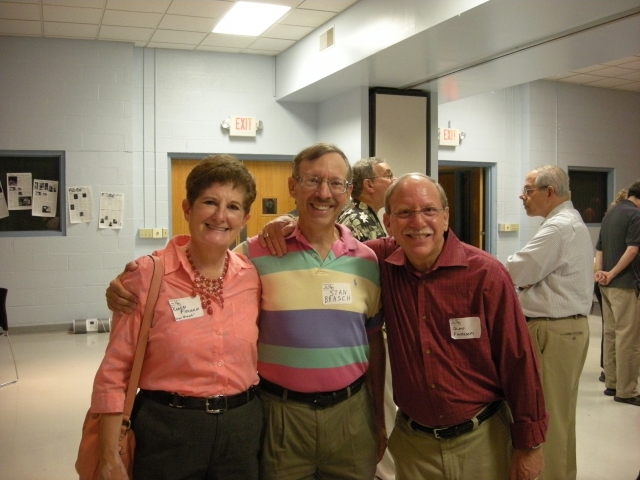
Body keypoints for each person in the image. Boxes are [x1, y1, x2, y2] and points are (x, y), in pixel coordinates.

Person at [107, 144, 386, 480]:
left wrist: (379, 416)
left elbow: (373, 337)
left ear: (348, 191)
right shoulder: (254, 254)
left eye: (336, 183)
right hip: (276, 413)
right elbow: (208, 260)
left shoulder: (367, 261)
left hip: (347, 414)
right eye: (312, 180)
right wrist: (131, 282)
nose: (324, 192)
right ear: (292, 186)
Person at [260, 173, 548, 480]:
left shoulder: (486, 275)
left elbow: (520, 362)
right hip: (414, 448)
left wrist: (529, 445)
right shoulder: (378, 262)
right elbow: (331, 240)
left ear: (446, 216)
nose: (418, 222)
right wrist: (284, 225)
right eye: (405, 213)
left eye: (429, 210)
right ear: (389, 222)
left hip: (482, 441)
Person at [93, 155, 263, 479]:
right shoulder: (148, 275)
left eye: (233, 207)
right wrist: (108, 456)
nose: (220, 216)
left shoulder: (253, 276)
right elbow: (116, 370)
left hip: (241, 430)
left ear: (245, 218)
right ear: (187, 208)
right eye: (209, 202)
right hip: (167, 430)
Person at [505, 165, 592, 480]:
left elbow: (518, 271)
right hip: (567, 330)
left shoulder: (558, 228)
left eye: (528, 190)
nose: (522, 196)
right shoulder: (567, 222)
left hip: (554, 331)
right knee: (561, 415)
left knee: (546, 417)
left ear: (549, 192)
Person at [338, 156, 396, 480]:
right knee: (381, 403)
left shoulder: (371, 217)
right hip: (367, 328)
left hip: (372, 325)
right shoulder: (357, 219)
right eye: (388, 174)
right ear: (368, 185)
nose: (394, 178)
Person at [594, 179, 640, 406]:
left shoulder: (611, 213)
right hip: (625, 284)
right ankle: (627, 391)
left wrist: (601, 273)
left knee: (611, 334)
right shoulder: (636, 215)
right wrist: (612, 273)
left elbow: (599, 247)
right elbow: (633, 249)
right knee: (628, 338)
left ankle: (611, 383)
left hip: (606, 286)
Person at [337, 157, 394, 242]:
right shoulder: (357, 220)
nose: (394, 180)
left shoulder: (360, 214)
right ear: (369, 185)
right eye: (388, 176)